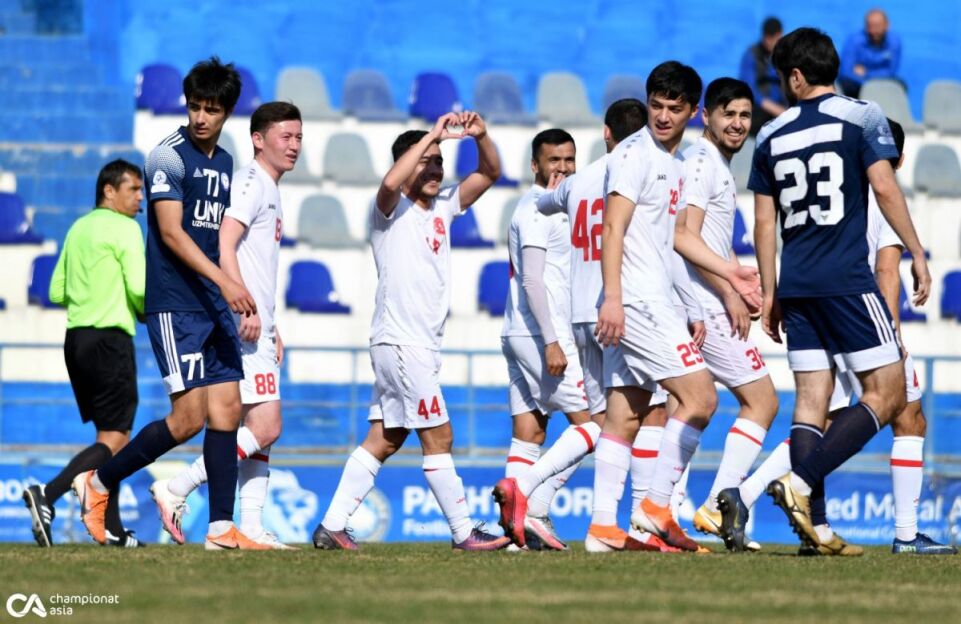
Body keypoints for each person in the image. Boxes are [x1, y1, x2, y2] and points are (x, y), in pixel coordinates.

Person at [721, 119, 955, 555]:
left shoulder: (832, 183)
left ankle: (750, 498)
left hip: (815, 302)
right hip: (860, 316)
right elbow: (886, 268)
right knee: (904, 412)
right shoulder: (882, 193)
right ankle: (902, 534)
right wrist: (891, 334)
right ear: (899, 160)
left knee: (821, 417)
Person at [71, 56, 266, 551]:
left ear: (227, 112)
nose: (201, 117)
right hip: (176, 305)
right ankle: (97, 482)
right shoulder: (166, 157)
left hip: (212, 303)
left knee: (229, 410)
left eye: (212, 109)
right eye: (195, 106)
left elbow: (214, 238)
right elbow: (172, 233)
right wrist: (225, 282)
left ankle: (220, 529)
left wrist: (233, 289)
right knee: (187, 420)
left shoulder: (224, 161)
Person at [749, 28, 930, 555]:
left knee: (810, 402)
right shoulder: (864, 115)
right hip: (846, 280)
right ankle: (801, 481)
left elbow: (764, 224)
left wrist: (771, 292)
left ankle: (818, 530)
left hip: (797, 284)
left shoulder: (770, 134)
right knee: (890, 393)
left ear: (795, 77)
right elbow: (884, 187)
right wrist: (917, 252)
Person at [312, 111, 510, 551]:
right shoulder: (390, 210)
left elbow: (490, 173)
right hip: (403, 341)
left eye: (440, 162)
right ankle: (463, 532)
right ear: (407, 165)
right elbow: (388, 183)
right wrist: (432, 135)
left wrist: (481, 137)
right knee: (440, 436)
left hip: (413, 344)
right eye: (426, 162)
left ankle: (332, 526)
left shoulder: (444, 206)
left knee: (385, 438)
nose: (436, 169)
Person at [594, 61, 760, 552]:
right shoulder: (634, 154)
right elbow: (613, 227)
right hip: (637, 301)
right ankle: (657, 505)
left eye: (673, 107)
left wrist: (708, 289)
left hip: (655, 298)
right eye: (656, 106)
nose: (663, 116)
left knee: (626, 413)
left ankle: (602, 528)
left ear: (691, 111)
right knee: (701, 399)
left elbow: (672, 241)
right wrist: (613, 297)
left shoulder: (675, 161)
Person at [149, 102, 303, 550]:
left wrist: (271, 323)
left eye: (298, 137)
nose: (294, 145)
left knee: (260, 430)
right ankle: (177, 486)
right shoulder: (251, 184)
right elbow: (225, 242)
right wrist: (245, 310)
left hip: (258, 323)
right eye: (285, 136)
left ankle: (251, 526)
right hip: (242, 322)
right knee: (266, 425)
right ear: (258, 139)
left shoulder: (268, 186)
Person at [669, 78, 779, 551]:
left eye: (744, 115)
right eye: (728, 114)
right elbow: (683, 237)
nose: (737, 124)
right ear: (706, 116)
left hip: (698, 299)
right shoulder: (701, 163)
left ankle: (662, 509)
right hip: (704, 303)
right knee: (762, 401)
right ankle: (716, 505)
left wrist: (738, 280)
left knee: (685, 405)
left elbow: (706, 240)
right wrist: (729, 287)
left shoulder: (712, 163)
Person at [23, 160, 146, 548]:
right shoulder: (126, 228)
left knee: (108, 438)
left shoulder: (78, 228)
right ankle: (48, 493)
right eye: (133, 189)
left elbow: (57, 290)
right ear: (109, 191)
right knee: (117, 439)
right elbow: (140, 290)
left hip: (76, 340)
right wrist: (147, 310)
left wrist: (91, 292)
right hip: (110, 339)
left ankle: (112, 529)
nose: (140, 199)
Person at [491, 129, 600, 551]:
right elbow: (533, 281)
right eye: (554, 160)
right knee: (595, 425)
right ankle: (531, 503)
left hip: (518, 331)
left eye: (569, 159)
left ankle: (516, 534)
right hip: (541, 333)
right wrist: (552, 341)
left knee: (529, 433)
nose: (563, 168)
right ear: (535, 165)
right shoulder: (537, 209)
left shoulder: (555, 206)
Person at [739, 17, 787, 136]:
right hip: (761, 112)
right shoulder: (752, 54)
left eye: (774, 38)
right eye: (767, 37)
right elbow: (749, 90)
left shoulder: (787, 55)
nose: (769, 42)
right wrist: (775, 109)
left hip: (785, 109)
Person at [839, 9, 903, 98]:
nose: (873, 31)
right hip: (856, 84)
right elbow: (845, 71)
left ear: (887, 25)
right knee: (847, 85)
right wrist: (865, 85)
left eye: (877, 26)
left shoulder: (894, 43)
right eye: (869, 26)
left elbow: (890, 72)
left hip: (880, 82)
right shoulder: (854, 41)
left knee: (900, 86)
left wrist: (867, 73)